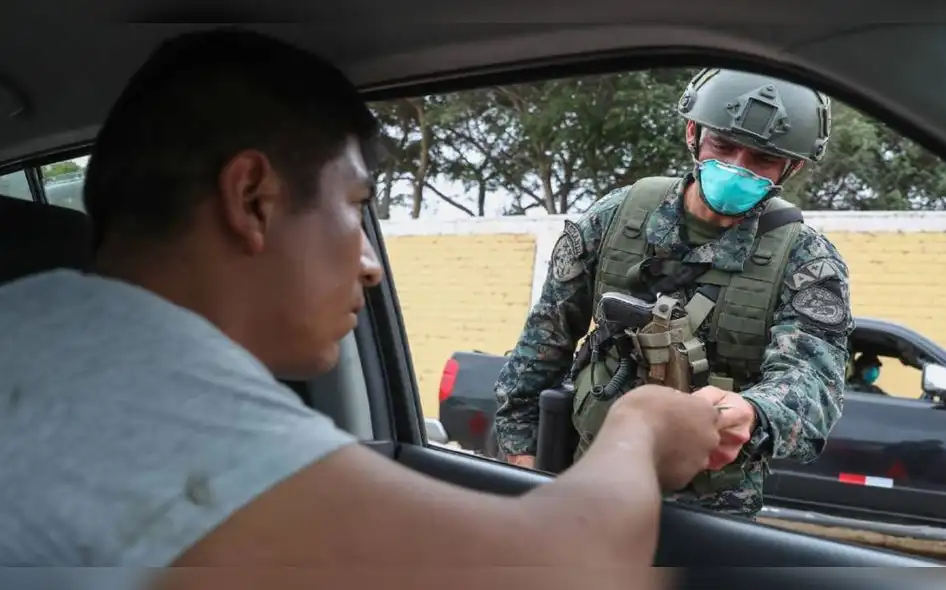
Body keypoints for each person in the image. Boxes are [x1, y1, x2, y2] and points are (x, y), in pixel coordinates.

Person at [0, 27, 732, 585]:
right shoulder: (128, 377)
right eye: (355, 207)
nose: (371, 264)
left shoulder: (43, 340)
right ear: (252, 199)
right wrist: (640, 428)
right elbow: (559, 569)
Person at [494, 68, 855, 519]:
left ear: (792, 166)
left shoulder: (807, 260)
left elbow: (813, 383)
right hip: (586, 476)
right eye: (723, 146)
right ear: (693, 132)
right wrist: (521, 459)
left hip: (713, 507)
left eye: (762, 158)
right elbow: (542, 346)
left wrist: (755, 414)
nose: (737, 167)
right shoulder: (616, 217)